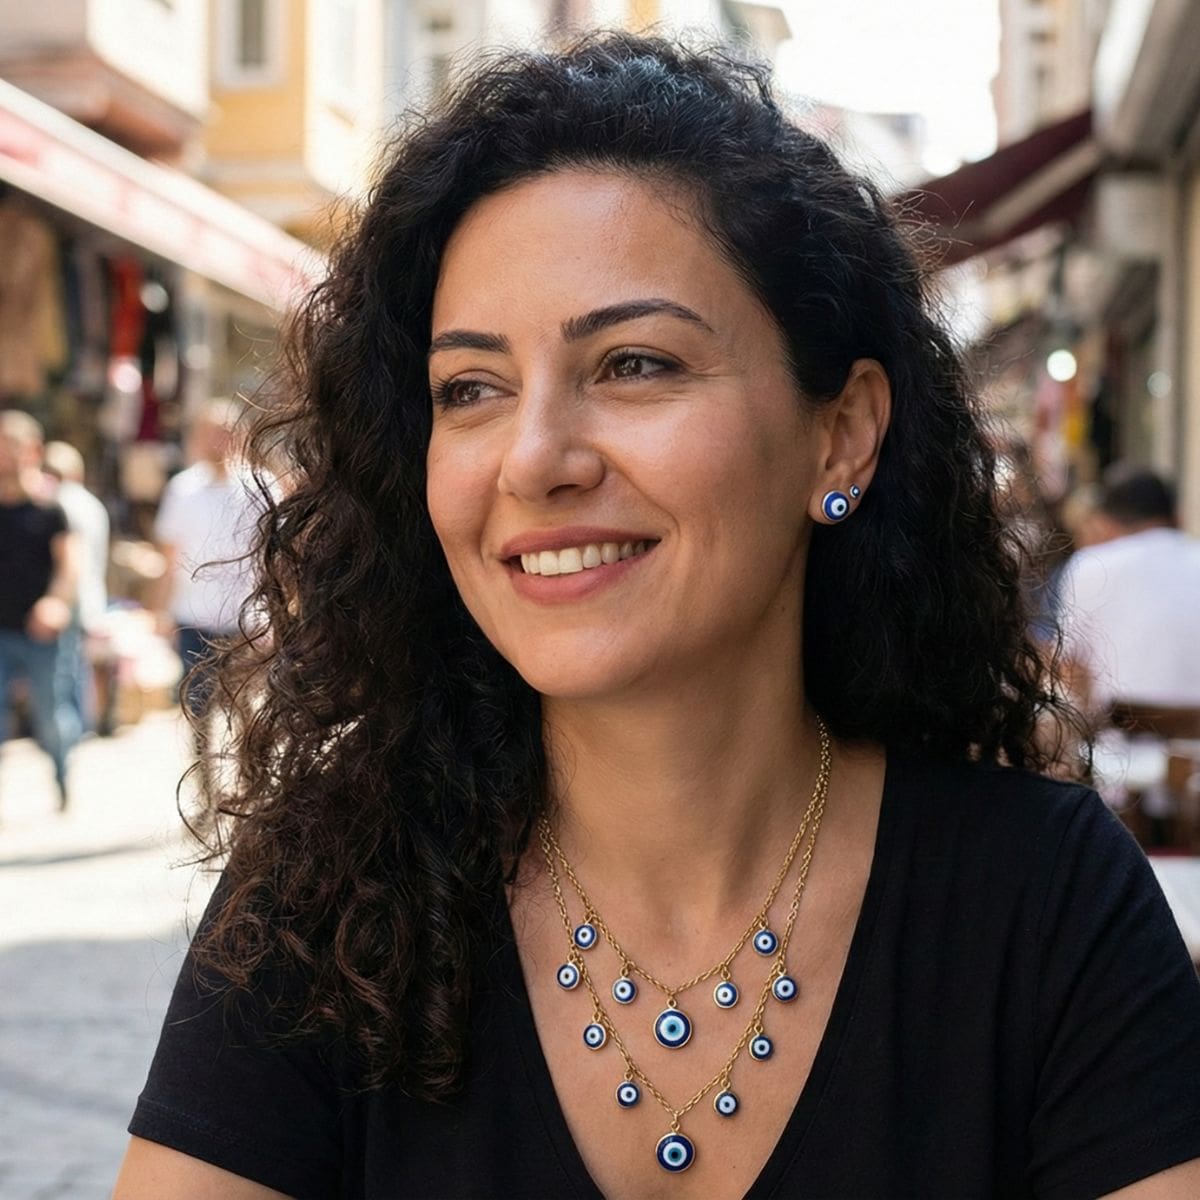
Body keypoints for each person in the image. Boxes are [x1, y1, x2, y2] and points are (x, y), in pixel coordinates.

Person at [115, 34, 1200, 1199]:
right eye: (470, 390)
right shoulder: (328, 900)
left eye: (634, 364)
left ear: (839, 435)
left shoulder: (1043, 903)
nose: (534, 460)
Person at [151, 397, 264, 750]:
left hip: (245, 621)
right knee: (198, 709)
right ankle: (204, 785)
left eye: (225, 433)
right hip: (194, 619)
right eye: (210, 433)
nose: (217, 441)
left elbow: (274, 558)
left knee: (249, 710)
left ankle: (251, 778)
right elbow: (170, 556)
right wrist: (159, 610)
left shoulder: (262, 486)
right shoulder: (183, 489)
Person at [1057, 464, 1200, 716]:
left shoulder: (1090, 566)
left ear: (1105, 522)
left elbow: (1072, 671)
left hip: (1118, 748)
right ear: (1178, 516)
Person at [0, 410, 81, 810]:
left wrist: (55, 603)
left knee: (49, 717)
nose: (3, 456)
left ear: (32, 451)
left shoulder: (52, 511)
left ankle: (62, 778)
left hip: (40, 632)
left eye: (10, 446)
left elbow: (70, 566)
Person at [42, 439, 110, 734]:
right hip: (89, 591)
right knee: (79, 663)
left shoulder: (62, 503)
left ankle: (74, 729)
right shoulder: (93, 504)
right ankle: (83, 725)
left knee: (67, 666)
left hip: (71, 594)